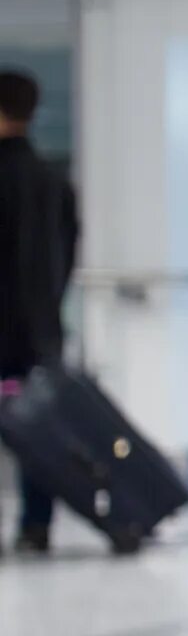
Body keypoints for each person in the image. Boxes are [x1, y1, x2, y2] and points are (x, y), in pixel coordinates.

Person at [0, 70, 80, 554]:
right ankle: (36, 525)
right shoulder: (54, 181)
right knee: (36, 429)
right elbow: (68, 252)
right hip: (41, 332)